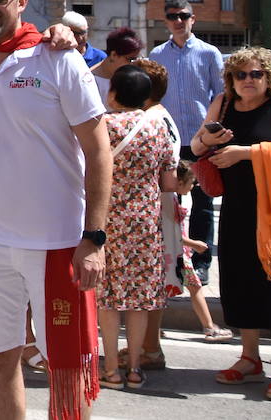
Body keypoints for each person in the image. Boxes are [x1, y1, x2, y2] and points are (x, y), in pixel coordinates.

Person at [0, 0, 111, 420]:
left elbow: (100, 152)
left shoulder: (57, 58)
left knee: (65, 369)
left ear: (21, 2)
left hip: (56, 242)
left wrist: (94, 238)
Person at [193, 47, 271, 402]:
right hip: (239, 207)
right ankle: (250, 358)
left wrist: (244, 152)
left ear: (268, 76)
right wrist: (207, 141)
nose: (247, 80)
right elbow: (197, 146)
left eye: (255, 74)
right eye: (240, 74)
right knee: (240, 281)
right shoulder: (222, 104)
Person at [96, 64, 177, 391]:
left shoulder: (103, 125)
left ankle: (112, 370)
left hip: (106, 218)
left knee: (107, 298)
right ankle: (134, 370)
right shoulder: (158, 127)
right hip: (144, 220)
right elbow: (169, 181)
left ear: (113, 93)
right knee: (139, 298)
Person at [149, 0, 224, 282]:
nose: (178, 21)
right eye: (172, 16)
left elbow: (220, 96)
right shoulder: (156, 55)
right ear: (165, 20)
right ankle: (173, 259)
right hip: (168, 140)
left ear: (193, 18)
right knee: (169, 202)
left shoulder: (209, 53)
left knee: (203, 203)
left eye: (183, 16)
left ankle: (202, 262)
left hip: (201, 140)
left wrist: (216, 136)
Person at [167, 162, 230, 340]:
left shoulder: (170, 198)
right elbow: (170, 233)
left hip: (177, 254)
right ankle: (209, 327)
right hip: (177, 254)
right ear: (180, 183)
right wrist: (194, 244)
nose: (193, 186)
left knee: (189, 289)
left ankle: (153, 332)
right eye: (191, 182)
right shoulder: (169, 200)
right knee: (195, 288)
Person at [89, 27, 141, 99]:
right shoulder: (89, 81)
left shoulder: (129, 78)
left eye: (135, 59)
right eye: (130, 59)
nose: (132, 64)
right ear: (114, 55)